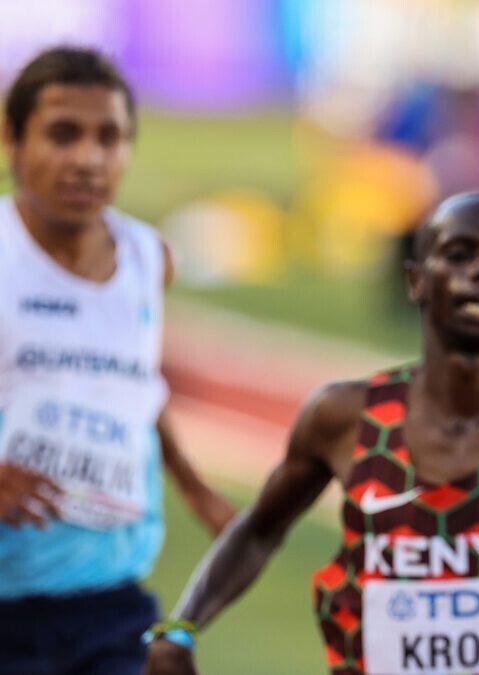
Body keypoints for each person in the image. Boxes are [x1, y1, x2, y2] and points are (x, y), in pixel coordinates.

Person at [145, 192, 479, 675]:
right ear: (416, 280)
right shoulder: (346, 417)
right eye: (459, 254)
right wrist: (181, 627)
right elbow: (259, 530)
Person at [0, 47, 235, 675]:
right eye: (63, 134)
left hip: (111, 598)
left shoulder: (147, 258)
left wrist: (196, 490)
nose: (89, 159)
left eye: (110, 137)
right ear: (12, 139)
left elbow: (133, 387)